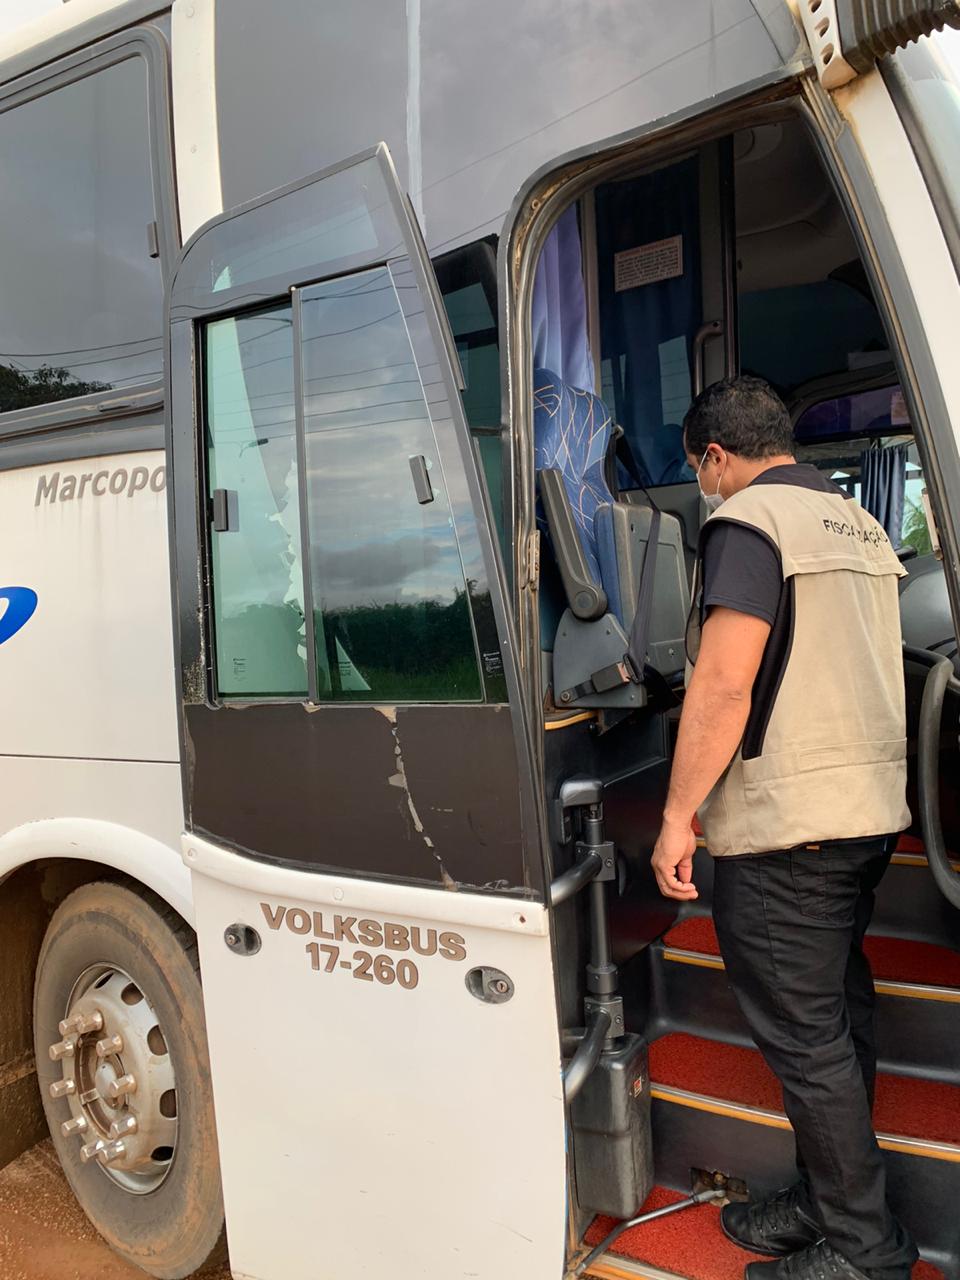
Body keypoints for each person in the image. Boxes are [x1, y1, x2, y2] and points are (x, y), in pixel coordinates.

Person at [650, 376, 916, 1280]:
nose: (703, 485)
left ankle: (864, 1251)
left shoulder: (748, 523)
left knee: (808, 1042)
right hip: (865, 816)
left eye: (699, 469)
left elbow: (726, 683)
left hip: (789, 827)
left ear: (715, 455)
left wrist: (677, 817)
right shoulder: (859, 521)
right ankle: (825, 1202)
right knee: (837, 1018)